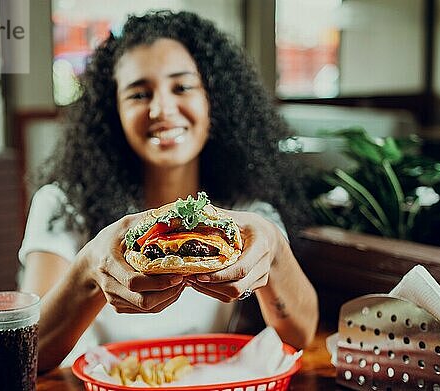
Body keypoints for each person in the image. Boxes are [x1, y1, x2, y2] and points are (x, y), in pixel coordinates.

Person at [19, 10, 318, 372]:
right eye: (139, 94)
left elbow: (300, 336)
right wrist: (89, 267)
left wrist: (274, 247)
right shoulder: (63, 204)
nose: (162, 109)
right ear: (113, 112)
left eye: (182, 87)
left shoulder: (245, 213)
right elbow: (25, 358)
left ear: (215, 101)